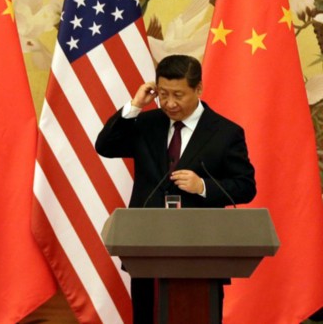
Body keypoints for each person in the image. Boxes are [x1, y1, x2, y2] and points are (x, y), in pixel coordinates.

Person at [95, 54, 256, 323]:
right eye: (163, 94)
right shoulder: (146, 124)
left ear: (198, 89)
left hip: (201, 249)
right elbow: (105, 146)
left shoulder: (225, 132)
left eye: (178, 95)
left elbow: (245, 187)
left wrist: (202, 186)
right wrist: (135, 105)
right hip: (146, 247)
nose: (169, 103)